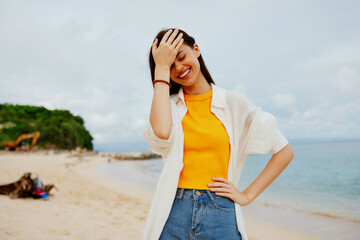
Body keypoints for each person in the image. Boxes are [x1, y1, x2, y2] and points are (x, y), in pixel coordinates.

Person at [142, 28, 294, 240]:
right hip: (173, 211)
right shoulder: (167, 106)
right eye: (170, 65)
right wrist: (160, 68)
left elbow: (284, 152)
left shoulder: (233, 103)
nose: (178, 68)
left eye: (181, 57)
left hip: (219, 212)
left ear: (196, 50)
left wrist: (246, 195)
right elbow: (161, 132)